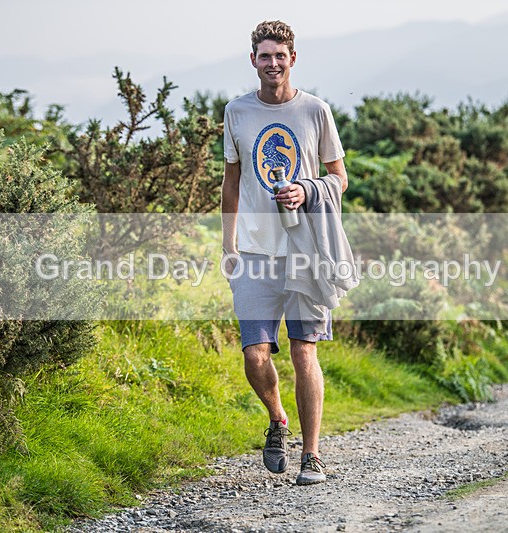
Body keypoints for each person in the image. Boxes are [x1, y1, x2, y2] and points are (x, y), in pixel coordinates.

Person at [220, 20, 348, 486]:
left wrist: (306, 190)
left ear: (293, 59)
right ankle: (277, 419)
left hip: (306, 248)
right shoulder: (236, 112)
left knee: (303, 350)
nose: (273, 64)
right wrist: (228, 243)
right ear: (252, 60)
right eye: (264, 56)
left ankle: (311, 455)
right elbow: (231, 181)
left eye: (280, 56)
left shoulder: (316, 111)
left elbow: (340, 177)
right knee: (255, 355)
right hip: (254, 251)